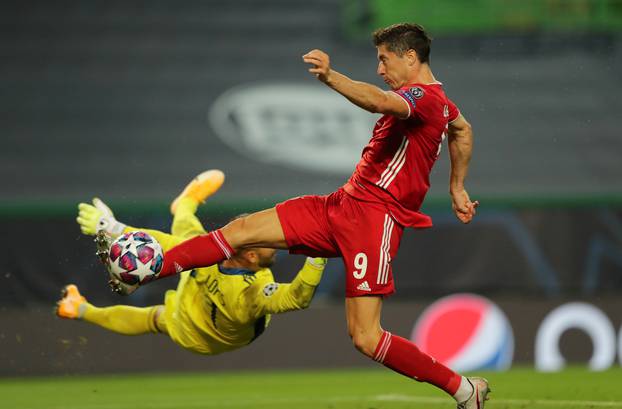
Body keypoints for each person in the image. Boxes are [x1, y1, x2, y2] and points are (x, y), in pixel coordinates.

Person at [114, 23, 488, 407]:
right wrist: (456, 186)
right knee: (241, 231)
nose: (380, 68)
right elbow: (462, 129)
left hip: (374, 221)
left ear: (411, 56)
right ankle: (148, 270)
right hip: (340, 205)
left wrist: (329, 76)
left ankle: (463, 389)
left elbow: (380, 101)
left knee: (365, 337)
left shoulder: (422, 97)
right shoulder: (442, 104)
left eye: (383, 58)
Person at [56, 170, 328, 355]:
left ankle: (185, 204)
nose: (277, 241)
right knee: (187, 239)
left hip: (198, 331)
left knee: (185, 246)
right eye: (269, 240)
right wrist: (318, 255)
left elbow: (161, 244)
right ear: (252, 256)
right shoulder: (255, 291)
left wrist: (110, 227)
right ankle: (78, 309)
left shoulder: (248, 291)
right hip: (199, 313)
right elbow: (298, 297)